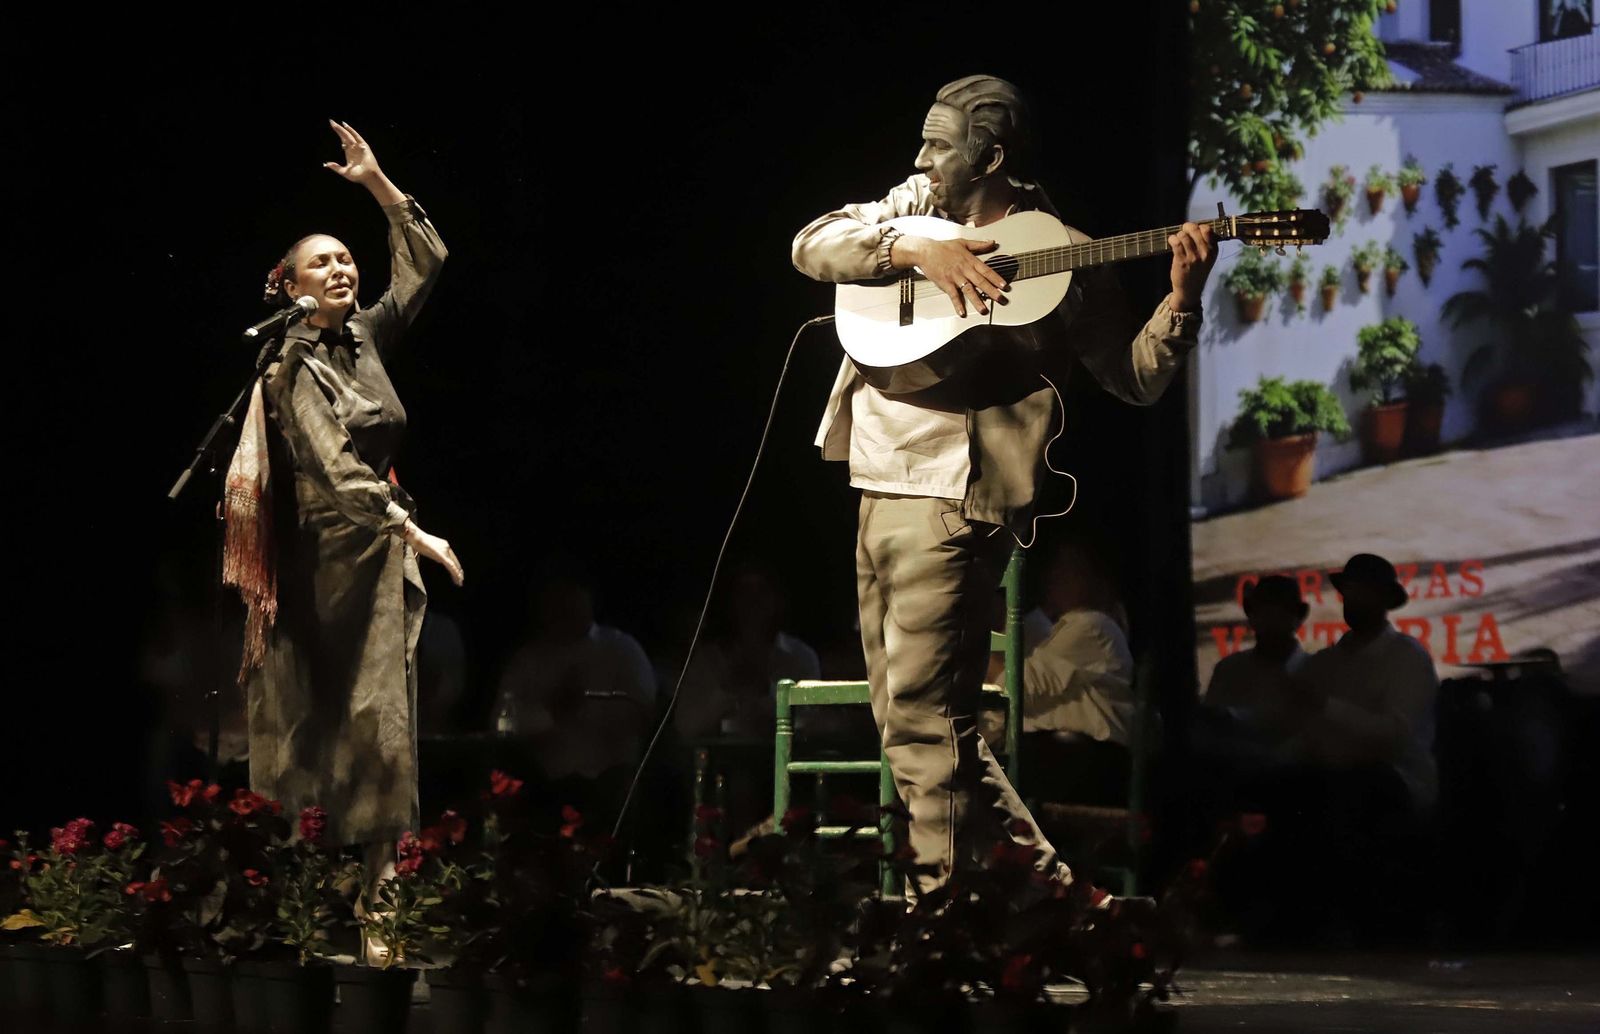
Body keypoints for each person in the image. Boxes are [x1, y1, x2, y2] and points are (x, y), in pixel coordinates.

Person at [790, 75, 1214, 896]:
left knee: (926, 724)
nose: (922, 158)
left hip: (955, 495)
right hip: (878, 479)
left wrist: (1180, 301)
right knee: (915, 725)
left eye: (939, 145)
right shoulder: (915, 211)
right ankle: (1067, 907)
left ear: (989, 157)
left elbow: (1132, 379)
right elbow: (813, 245)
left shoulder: (1064, 255)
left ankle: (940, 915)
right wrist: (918, 250)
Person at [225, 122, 461, 929]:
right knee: (313, 724)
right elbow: (333, 464)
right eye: (321, 262)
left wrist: (376, 184)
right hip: (319, 562)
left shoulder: (364, 335)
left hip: (375, 554)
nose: (341, 269)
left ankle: (381, 896)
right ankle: (290, 902)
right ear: (290, 285)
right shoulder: (291, 362)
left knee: (385, 725)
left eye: (346, 258)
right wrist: (411, 529)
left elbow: (425, 263)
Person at [491, 566, 656, 821]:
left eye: (571, 598)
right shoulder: (528, 660)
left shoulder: (621, 649)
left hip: (614, 784)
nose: (564, 608)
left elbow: (645, 712)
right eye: (556, 600)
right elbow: (502, 724)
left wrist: (602, 716)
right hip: (546, 788)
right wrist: (552, 713)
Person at [984, 538, 1136, 808]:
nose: (1055, 576)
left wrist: (963, 640)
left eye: (1069, 568)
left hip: (1083, 765)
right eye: (1055, 568)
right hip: (1057, 759)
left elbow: (1015, 686)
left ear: (1093, 578)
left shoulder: (1094, 625)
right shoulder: (1052, 632)